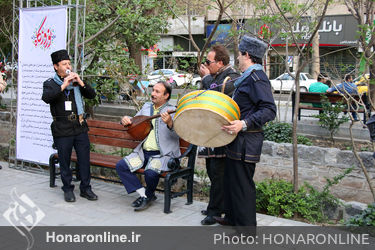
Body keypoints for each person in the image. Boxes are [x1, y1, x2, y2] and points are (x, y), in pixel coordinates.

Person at [217, 35, 276, 227]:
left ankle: (247, 231)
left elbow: (269, 110)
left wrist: (243, 124)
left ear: (247, 55)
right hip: (237, 141)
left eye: (239, 55)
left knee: (243, 186)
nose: (238, 59)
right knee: (232, 181)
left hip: (247, 141)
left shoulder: (257, 78)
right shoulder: (247, 77)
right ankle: (233, 218)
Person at [42, 49, 98, 202]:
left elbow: (92, 95)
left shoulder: (76, 83)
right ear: (56, 67)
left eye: (69, 63)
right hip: (62, 127)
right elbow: (47, 98)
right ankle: (67, 189)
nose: (68, 66)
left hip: (79, 126)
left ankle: (86, 189)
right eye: (64, 64)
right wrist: (64, 84)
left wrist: (80, 82)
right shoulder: (50, 83)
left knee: (84, 159)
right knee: (65, 160)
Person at [115, 81, 180, 211]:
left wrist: (170, 123)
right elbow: (134, 121)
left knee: (150, 173)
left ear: (166, 96)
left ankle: (148, 196)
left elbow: (179, 133)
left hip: (162, 155)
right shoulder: (146, 107)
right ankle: (145, 195)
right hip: (143, 153)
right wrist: (125, 119)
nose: (153, 94)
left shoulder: (172, 111)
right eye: (153, 90)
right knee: (121, 166)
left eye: (157, 92)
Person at [198, 45, 240, 225]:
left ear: (220, 62)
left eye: (209, 62)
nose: (206, 65)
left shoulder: (232, 77)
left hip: (222, 134)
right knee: (211, 171)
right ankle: (215, 206)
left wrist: (206, 78)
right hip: (210, 132)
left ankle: (215, 211)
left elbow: (217, 95)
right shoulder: (215, 76)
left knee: (218, 173)